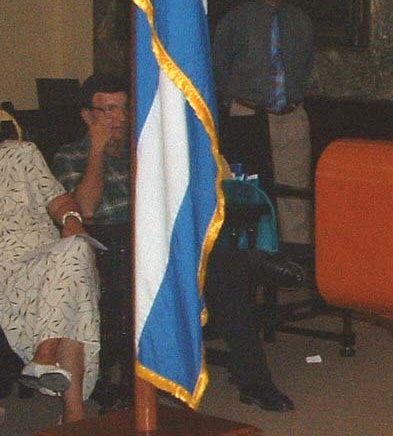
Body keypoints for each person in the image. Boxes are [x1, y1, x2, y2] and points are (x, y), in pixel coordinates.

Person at [53, 75, 300, 413]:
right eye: (108, 110)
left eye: (125, 109)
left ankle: (255, 383)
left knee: (224, 279)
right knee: (223, 266)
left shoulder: (145, 149)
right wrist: (96, 151)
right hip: (110, 250)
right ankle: (254, 261)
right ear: (87, 116)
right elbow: (86, 209)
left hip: (160, 244)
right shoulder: (69, 156)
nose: (119, 119)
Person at [0, 108, 100, 436]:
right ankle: (74, 415)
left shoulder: (21, 154)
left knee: (74, 248)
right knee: (74, 283)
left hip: (46, 253)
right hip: (6, 266)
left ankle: (45, 355)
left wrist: (70, 218)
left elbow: (58, 199)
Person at [212, 0, 315, 245]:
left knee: (293, 194)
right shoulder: (237, 19)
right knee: (248, 191)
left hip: (288, 117)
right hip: (247, 113)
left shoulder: (300, 21)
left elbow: (306, 65)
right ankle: (250, 259)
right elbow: (220, 65)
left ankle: (294, 263)